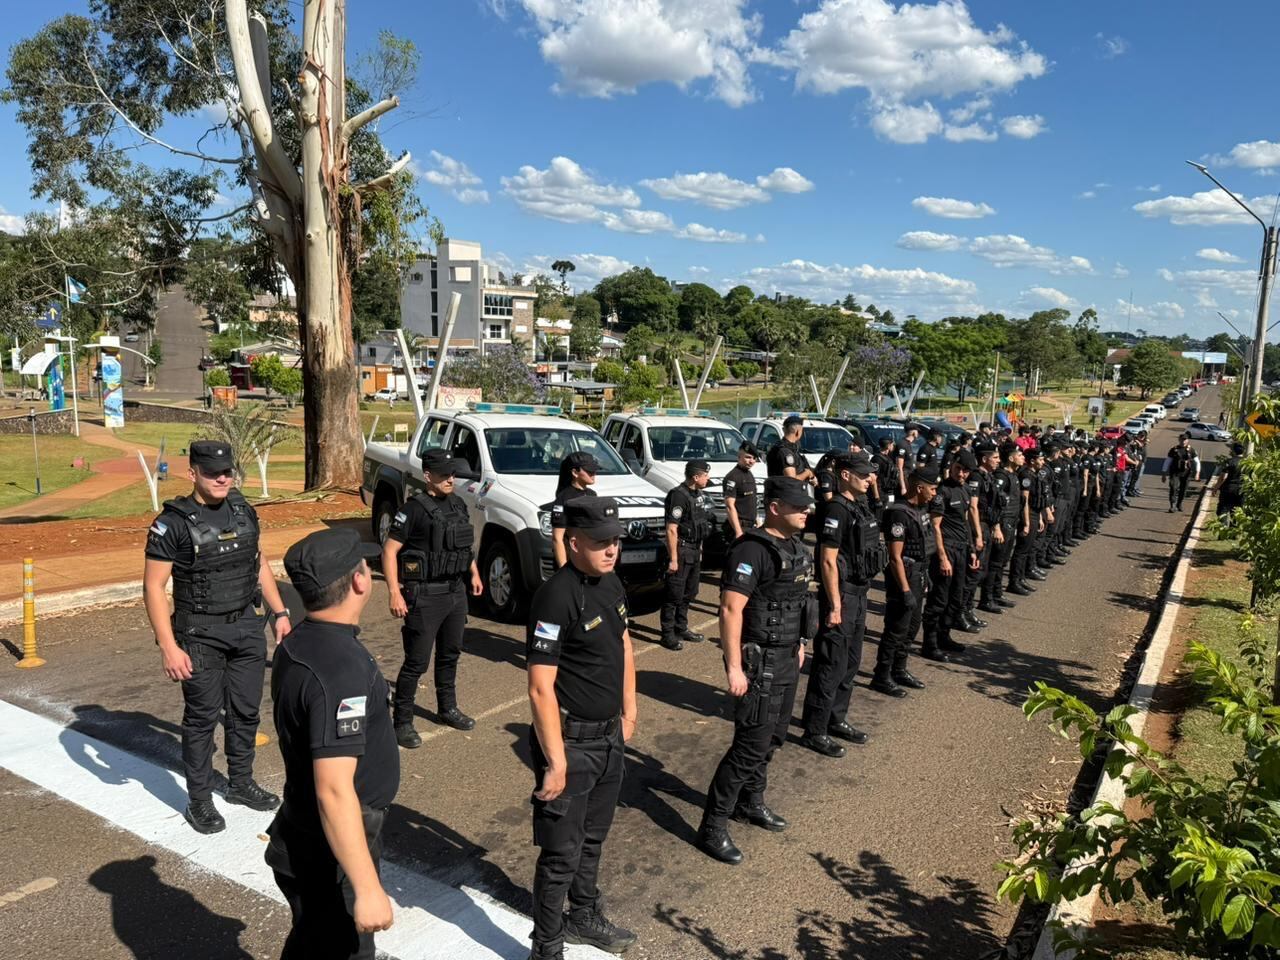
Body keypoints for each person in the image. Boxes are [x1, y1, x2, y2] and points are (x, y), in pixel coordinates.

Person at [143, 440, 290, 834]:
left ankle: (240, 784)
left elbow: (258, 563)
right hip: (199, 634)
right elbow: (154, 588)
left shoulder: (244, 511)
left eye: (227, 471)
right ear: (192, 473)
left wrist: (280, 611)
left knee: (245, 711)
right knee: (202, 719)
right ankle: (199, 800)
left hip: (245, 626)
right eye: (212, 472)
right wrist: (168, 647)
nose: (223, 478)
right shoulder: (171, 523)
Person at [266, 528, 395, 960]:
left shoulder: (300, 641)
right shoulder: (339, 671)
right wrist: (366, 887)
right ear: (359, 581)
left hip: (307, 834)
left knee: (309, 942)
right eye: (366, 564)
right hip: (329, 853)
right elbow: (335, 788)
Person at [525, 496, 638, 960]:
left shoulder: (611, 585)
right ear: (572, 542)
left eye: (614, 541)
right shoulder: (555, 597)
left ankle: (584, 915)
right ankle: (546, 946)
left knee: (592, 841)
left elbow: (625, 645)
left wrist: (629, 712)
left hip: (609, 737)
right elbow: (539, 688)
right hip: (571, 743)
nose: (611, 550)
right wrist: (556, 762)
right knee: (560, 854)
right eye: (600, 542)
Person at [698, 477, 814, 866]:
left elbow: (796, 602)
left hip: (786, 657)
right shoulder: (751, 549)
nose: (807, 512)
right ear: (776, 508)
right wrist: (733, 668)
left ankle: (751, 802)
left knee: (774, 738)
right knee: (749, 746)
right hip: (759, 662)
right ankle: (712, 826)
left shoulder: (794, 546)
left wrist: (800, 643)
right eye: (799, 507)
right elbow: (730, 610)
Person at [382, 449, 485, 748]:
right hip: (424, 596)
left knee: (450, 655)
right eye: (444, 474)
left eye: (452, 474)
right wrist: (394, 591)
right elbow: (389, 552)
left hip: (455, 592)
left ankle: (447, 708)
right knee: (416, 662)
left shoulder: (458, 504)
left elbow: (464, 547)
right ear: (428, 475)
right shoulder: (412, 510)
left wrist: (474, 573)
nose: (450, 479)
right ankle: (402, 722)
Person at [800, 452, 883, 757]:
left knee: (850, 662)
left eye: (871, 474)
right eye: (864, 474)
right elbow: (827, 559)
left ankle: (836, 717)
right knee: (830, 664)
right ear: (845, 475)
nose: (870, 478)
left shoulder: (858, 505)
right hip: (842, 595)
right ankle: (816, 729)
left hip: (859, 593)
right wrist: (834, 604)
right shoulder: (835, 508)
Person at [870, 465, 939, 697]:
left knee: (912, 626)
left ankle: (899, 669)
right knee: (896, 629)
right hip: (904, 576)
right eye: (932, 488)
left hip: (919, 572)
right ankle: (882, 675)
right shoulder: (898, 513)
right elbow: (895, 556)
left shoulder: (921, 508)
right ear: (919, 487)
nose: (934, 493)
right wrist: (906, 590)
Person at [921, 449, 980, 662]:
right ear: (951, 466)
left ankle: (944, 636)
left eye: (966, 471)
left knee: (955, 599)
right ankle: (930, 644)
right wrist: (943, 557)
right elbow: (935, 527)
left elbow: (964, 523)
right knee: (939, 600)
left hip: (961, 550)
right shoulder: (942, 492)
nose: (961, 474)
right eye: (958, 469)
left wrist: (972, 549)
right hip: (945, 550)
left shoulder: (964, 491)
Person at [660, 459, 712, 651]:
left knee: (690, 592)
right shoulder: (678, 496)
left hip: (694, 549)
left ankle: (681, 628)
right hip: (681, 551)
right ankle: (667, 634)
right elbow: (671, 529)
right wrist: (673, 558)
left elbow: (700, 524)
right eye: (706, 475)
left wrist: (700, 551)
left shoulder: (697, 494)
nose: (708, 478)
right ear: (696, 477)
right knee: (674, 594)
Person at [981, 442, 1023, 613]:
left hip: (1012, 521)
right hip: (1003, 522)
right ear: (1012, 458)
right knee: (995, 562)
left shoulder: (1013, 475)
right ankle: (987, 598)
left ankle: (997, 594)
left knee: (1002, 561)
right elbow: (996, 503)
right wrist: (996, 526)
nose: (1023, 458)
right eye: (1020, 455)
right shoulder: (1001, 476)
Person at [548, 452, 598, 568]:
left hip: (588, 557)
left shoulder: (593, 495)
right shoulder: (564, 498)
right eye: (589, 471)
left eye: (594, 470)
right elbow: (557, 538)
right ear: (575, 472)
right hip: (571, 560)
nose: (594, 474)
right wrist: (563, 568)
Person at [722, 441, 759, 541]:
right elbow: (730, 506)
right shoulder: (733, 477)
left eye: (754, 458)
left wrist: (757, 520)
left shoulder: (749, 474)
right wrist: (738, 532)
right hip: (739, 527)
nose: (751, 461)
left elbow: (752, 501)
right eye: (748, 457)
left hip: (750, 527)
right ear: (739, 456)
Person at [766, 416, 815, 484]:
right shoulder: (786, 452)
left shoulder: (788, 448)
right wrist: (807, 473)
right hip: (787, 493)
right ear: (797, 432)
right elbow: (791, 480)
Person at [1163, 434, 1200, 513]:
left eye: (1185, 439)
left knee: (1183, 489)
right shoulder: (1174, 450)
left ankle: (1179, 504)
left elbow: (1197, 462)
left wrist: (1197, 473)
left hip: (1186, 473)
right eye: (1182, 439)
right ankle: (1172, 505)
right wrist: (1164, 473)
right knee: (1173, 487)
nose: (1183, 441)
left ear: (1187, 440)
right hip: (1175, 472)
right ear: (1179, 440)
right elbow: (1167, 461)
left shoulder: (1191, 450)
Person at [1213, 442, 1246, 525]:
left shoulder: (1229, 462)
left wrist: (1216, 488)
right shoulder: (1247, 463)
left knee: (1223, 510)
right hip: (1241, 490)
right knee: (1236, 511)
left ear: (1233, 451)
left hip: (1228, 489)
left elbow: (1223, 477)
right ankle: (1233, 533)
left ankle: (1222, 530)